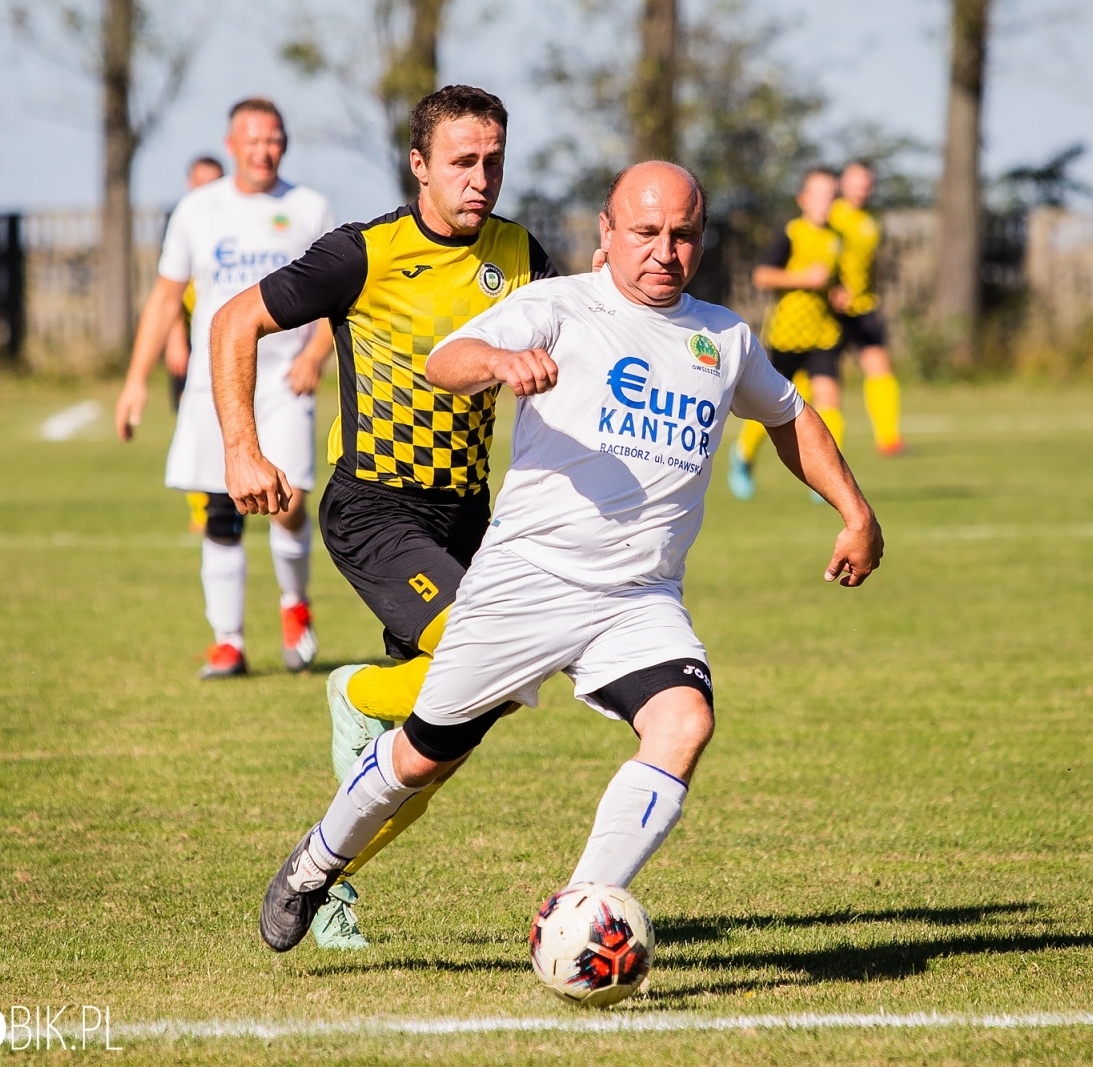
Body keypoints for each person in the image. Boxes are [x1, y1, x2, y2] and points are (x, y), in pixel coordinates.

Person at [252, 160, 884, 955]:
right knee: (418, 757)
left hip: (640, 598)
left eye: (682, 235)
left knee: (686, 720)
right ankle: (314, 863)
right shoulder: (558, 305)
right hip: (526, 584)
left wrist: (855, 511)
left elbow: (790, 418)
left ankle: (581, 907)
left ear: (701, 238)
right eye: (646, 233)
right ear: (607, 235)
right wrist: (499, 363)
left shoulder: (722, 336)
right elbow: (445, 359)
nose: (664, 251)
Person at [212, 85, 556, 950]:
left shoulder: (521, 252)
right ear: (420, 166)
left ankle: (326, 877)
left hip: (470, 517)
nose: (482, 179)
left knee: (443, 741)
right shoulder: (363, 253)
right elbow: (232, 321)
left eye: (494, 162)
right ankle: (357, 690)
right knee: (489, 659)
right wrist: (242, 451)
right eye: (463, 163)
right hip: (376, 508)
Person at [114, 99, 334, 680]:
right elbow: (167, 297)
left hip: (285, 383)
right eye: (254, 139)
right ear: (231, 143)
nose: (265, 150)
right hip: (216, 385)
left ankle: (295, 607)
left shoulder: (308, 209)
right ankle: (228, 642)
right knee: (220, 506)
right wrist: (136, 381)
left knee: (287, 503)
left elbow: (340, 300)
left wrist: (314, 354)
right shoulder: (197, 210)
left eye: (275, 139)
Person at [728, 168, 846, 501]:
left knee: (829, 401)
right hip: (787, 335)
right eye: (818, 195)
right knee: (772, 405)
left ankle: (826, 479)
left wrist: (838, 293)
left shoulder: (837, 238)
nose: (825, 202)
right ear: (803, 199)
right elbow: (763, 276)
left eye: (831, 195)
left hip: (823, 333)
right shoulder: (792, 233)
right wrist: (804, 278)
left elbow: (831, 280)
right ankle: (743, 456)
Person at [164, 154, 226, 536]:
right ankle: (202, 510)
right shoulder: (185, 220)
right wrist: (174, 340)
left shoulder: (233, 220)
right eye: (200, 180)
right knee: (195, 425)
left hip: (226, 346)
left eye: (213, 181)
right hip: (191, 347)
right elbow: (168, 290)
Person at [830, 160, 905, 456]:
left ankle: (888, 438)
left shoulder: (871, 222)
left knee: (879, 365)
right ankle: (748, 450)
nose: (863, 188)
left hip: (862, 306)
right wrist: (832, 288)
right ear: (842, 183)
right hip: (830, 308)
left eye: (868, 183)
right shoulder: (832, 216)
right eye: (856, 182)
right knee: (810, 382)